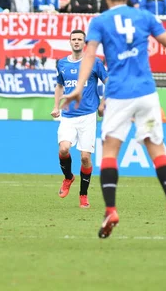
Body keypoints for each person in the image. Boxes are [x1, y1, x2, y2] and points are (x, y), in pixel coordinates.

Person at [61, 0, 166, 239]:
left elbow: (90, 54)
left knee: (110, 152)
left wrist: (79, 88)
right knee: (157, 149)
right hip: (147, 94)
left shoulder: (100, 21)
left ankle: (111, 210)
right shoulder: (144, 17)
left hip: (118, 96)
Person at [52, 29, 108, 209]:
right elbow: (60, 85)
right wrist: (55, 106)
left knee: (85, 158)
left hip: (88, 115)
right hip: (68, 115)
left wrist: (102, 104)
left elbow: (109, 82)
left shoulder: (94, 62)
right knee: (63, 149)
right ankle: (68, 178)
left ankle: (83, 195)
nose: (76, 42)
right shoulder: (62, 63)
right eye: (73, 39)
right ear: (70, 42)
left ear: (84, 43)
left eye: (79, 39)